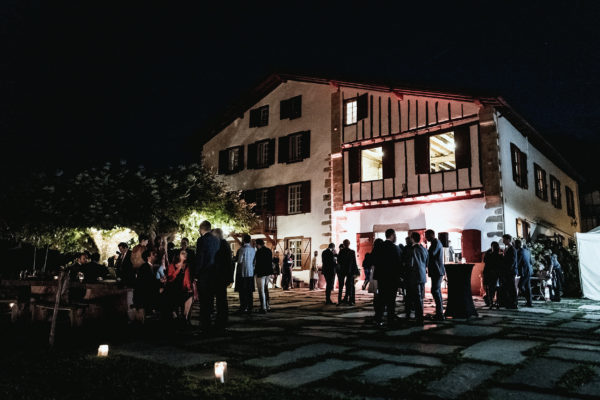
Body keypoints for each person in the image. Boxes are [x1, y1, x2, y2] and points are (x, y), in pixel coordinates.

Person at [194, 220, 221, 329]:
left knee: (203, 299)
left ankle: (205, 323)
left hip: (204, 273)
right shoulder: (217, 240)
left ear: (201, 229)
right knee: (210, 298)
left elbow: (200, 258)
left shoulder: (201, 240)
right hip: (215, 273)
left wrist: (196, 273)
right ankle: (210, 319)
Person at [373, 229, 402, 325]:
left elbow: (374, 260)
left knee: (381, 298)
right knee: (391, 300)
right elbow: (399, 264)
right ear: (392, 235)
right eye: (395, 235)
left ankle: (379, 319)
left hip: (382, 277)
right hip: (392, 278)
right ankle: (390, 319)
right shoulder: (396, 248)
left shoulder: (379, 247)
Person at [405, 232, 428, 325]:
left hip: (414, 276)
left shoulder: (412, 250)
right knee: (420, 298)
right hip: (422, 276)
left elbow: (410, 264)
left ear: (413, 239)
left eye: (410, 238)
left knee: (415, 298)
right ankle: (419, 317)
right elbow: (426, 262)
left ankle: (418, 318)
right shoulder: (424, 249)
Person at [213, 228, 234, 326]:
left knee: (221, 298)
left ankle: (221, 317)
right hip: (223, 275)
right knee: (221, 298)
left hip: (220, 275)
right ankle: (222, 316)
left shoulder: (221, 245)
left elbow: (224, 262)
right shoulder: (225, 244)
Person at [166, 249, 193, 320]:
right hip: (172, 288)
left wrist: (189, 287)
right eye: (183, 253)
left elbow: (187, 279)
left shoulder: (186, 266)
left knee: (190, 295)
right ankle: (175, 314)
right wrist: (178, 269)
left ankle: (185, 315)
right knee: (172, 294)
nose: (185, 255)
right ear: (178, 255)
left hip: (182, 288)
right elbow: (170, 278)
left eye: (186, 253)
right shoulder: (172, 266)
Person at [425, 229, 445, 320]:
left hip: (437, 271)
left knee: (435, 291)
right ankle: (439, 312)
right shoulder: (436, 243)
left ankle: (440, 314)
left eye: (427, 236)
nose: (426, 238)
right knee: (437, 291)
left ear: (431, 235)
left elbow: (431, 254)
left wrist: (425, 250)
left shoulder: (436, 243)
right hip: (436, 271)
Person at [133, 249, 159, 319]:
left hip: (145, 295)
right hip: (143, 297)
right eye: (153, 254)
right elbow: (147, 283)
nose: (155, 255)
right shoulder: (145, 267)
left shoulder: (148, 266)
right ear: (148, 257)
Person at [236, 234, 256, 313]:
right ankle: (250, 306)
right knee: (249, 291)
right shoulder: (252, 249)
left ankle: (243, 306)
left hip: (243, 272)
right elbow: (254, 261)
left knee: (242, 291)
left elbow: (240, 261)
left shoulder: (242, 249)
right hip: (250, 272)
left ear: (243, 240)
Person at [338, 239, 359, 305]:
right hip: (349, 270)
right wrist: (355, 271)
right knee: (349, 285)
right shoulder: (352, 252)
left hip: (343, 270)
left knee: (342, 286)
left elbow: (338, 261)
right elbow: (354, 262)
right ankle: (350, 300)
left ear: (344, 244)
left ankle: (341, 300)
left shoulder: (341, 251)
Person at [254, 239, 273, 313]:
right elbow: (270, 262)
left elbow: (257, 263)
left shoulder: (258, 252)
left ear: (259, 244)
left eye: (256, 244)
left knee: (261, 291)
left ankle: (263, 307)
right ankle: (268, 305)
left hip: (261, 273)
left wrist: (255, 272)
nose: (255, 246)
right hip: (268, 272)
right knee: (266, 289)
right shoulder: (269, 250)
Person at [483, 241, 503, 309]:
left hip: (490, 274)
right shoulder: (500, 255)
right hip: (497, 274)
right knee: (497, 289)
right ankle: (497, 303)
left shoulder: (489, 255)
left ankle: (491, 303)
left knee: (491, 289)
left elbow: (485, 261)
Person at [501, 234, 518, 309]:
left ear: (508, 240)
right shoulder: (508, 248)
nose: (503, 241)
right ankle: (510, 302)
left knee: (512, 287)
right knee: (509, 287)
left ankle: (514, 303)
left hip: (510, 271)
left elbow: (512, 261)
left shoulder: (512, 249)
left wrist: (508, 270)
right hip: (508, 271)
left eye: (504, 239)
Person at [515, 239, 533, 307]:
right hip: (528, 270)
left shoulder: (519, 252)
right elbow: (531, 261)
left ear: (517, 244)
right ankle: (529, 302)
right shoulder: (527, 251)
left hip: (524, 271)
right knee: (527, 287)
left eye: (515, 244)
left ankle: (528, 300)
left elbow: (518, 262)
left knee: (520, 285)